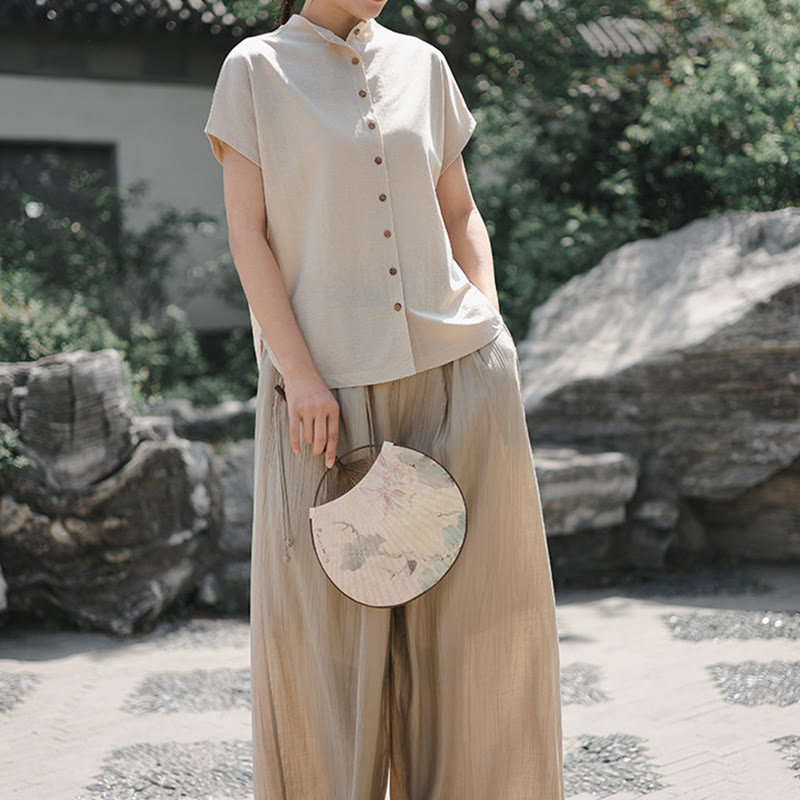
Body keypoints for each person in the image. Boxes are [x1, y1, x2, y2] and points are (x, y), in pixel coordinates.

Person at [204, 0, 565, 797]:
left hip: (462, 381)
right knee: (328, 657)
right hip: (325, 400)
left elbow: (461, 210)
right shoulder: (255, 69)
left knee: (478, 643)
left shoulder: (424, 65)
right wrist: (299, 374)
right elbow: (246, 234)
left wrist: (491, 322)